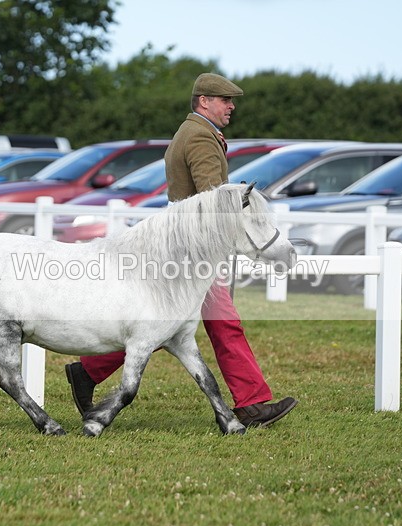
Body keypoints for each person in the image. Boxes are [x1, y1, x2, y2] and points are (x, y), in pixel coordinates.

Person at [65, 73, 298, 428]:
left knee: (165, 325)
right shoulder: (201, 138)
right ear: (204, 101)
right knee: (224, 325)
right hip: (195, 252)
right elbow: (213, 201)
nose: (231, 106)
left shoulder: (190, 132)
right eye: (225, 100)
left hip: (186, 248)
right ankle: (251, 404)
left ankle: (87, 372)